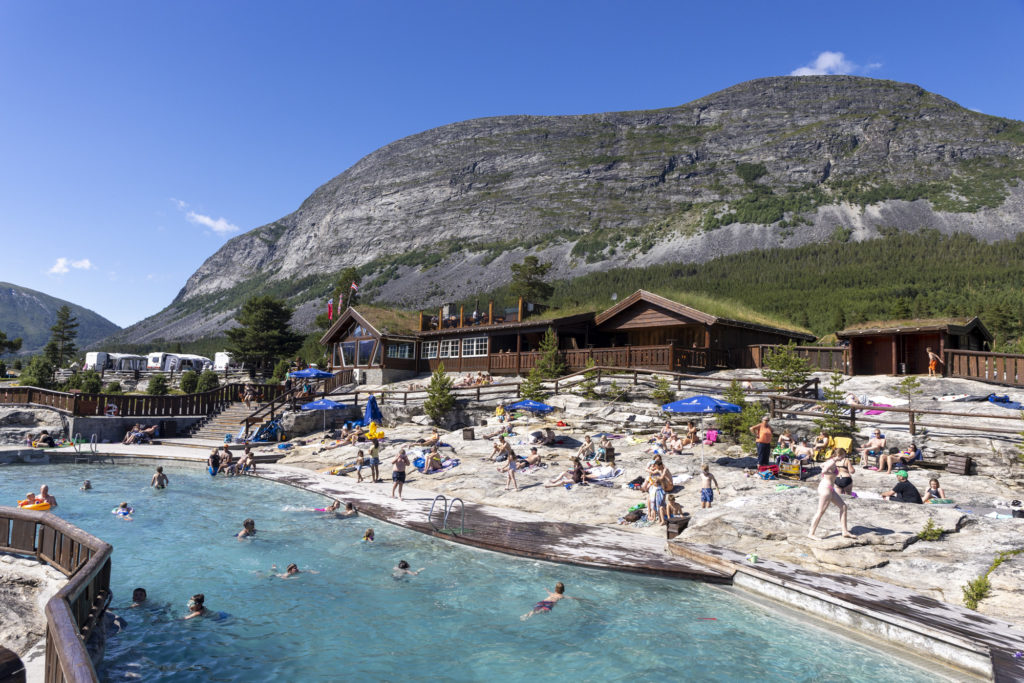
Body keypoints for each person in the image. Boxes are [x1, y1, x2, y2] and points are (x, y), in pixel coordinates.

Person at [807, 455, 855, 539]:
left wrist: (830, 473)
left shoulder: (830, 461)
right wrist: (831, 474)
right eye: (842, 456)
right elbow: (823, 470)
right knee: (820, 512)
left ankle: (845, 531)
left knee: (843, 507)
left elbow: (821, 465)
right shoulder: (832, 462)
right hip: (826, 489)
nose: (843, 458)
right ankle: (811, 533)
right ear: (838, 455)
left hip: (830, 489)